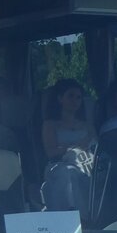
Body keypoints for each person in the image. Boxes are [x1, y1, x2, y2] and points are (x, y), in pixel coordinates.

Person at [40, 79, 96, 212]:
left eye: (78, 97)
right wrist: (74, 148)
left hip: (87, 165)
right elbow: (51, 152)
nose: (75, 100)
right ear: (60, 98)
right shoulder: (50, 124)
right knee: (69, 173)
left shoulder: (88, 125)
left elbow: (96, 147)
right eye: (70, 96)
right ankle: (75, 215)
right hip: (59, 166)